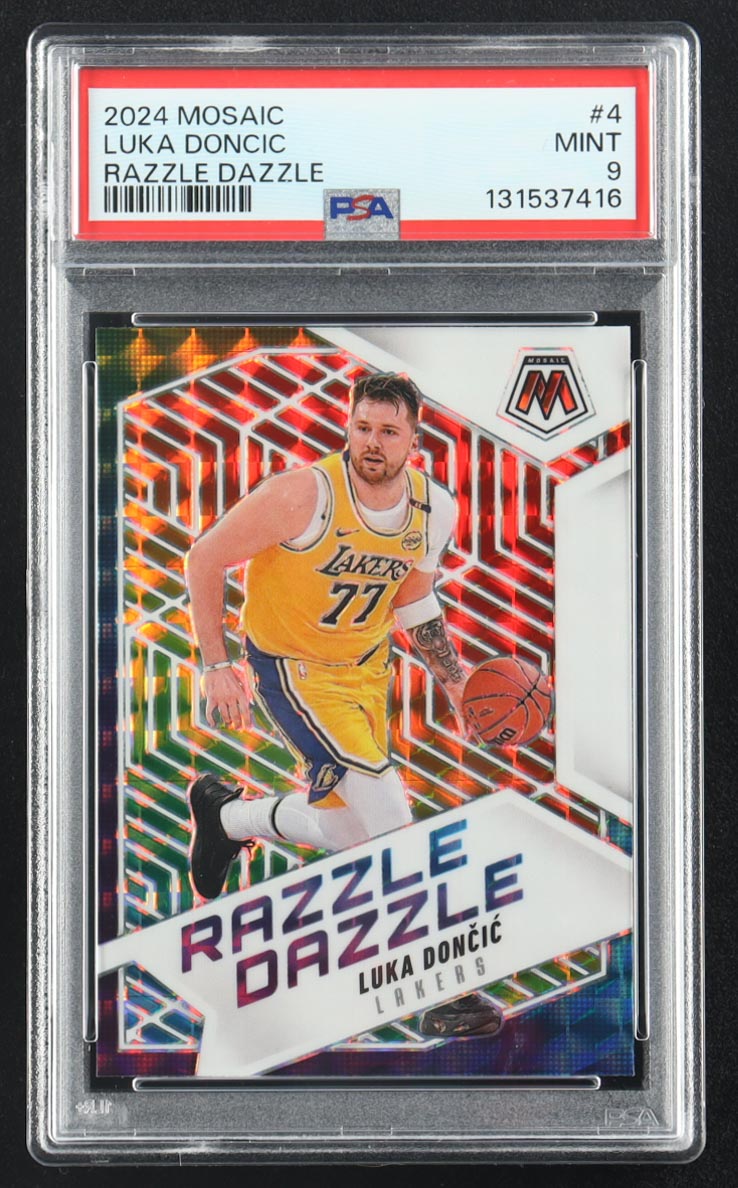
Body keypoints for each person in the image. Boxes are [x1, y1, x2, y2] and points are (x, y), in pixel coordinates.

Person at [185, 371, 503, 1039]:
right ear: (349, 426)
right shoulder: (303, 494)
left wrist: (454, 684)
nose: (371, 442)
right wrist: (216, 664)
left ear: (415, 441)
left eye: (388, 431)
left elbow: (412, 599)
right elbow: (205, 557)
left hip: (364, 671)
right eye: (362, 427)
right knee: (386, 805)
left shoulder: (433, 508)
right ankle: (449, 986)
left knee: (350, 831)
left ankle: (227, 817)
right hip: (291, 669)